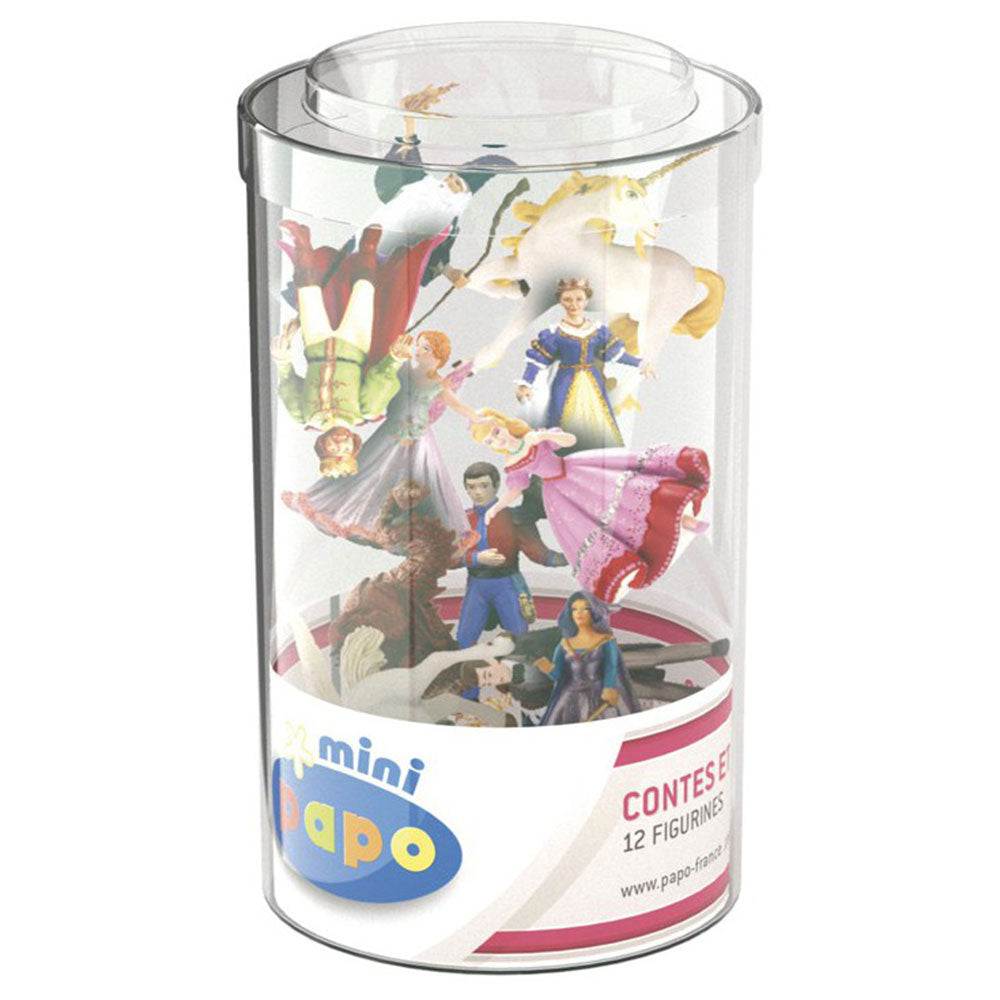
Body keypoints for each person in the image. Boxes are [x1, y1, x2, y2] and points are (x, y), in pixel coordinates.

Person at [471, 410, 710, 603]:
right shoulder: (511, 462)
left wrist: (542, 437)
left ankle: (685, 519)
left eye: (496, 432)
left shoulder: (530, 437)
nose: (497, 439)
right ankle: (628, 563)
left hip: (579, 470)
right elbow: (517, 487)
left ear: (503, 424)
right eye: (490, 440)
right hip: (559, 496)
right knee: (599, 524)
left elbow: (569, 440)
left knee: (630, 493)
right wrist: (496, 507)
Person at [283, 330, 482, 544]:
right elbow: (383, 378)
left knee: (425, 480)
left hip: (420, 438)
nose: (418, 350)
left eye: (426, 348)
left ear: (438, 356)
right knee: (368, 471)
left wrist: (479, 419)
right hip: (392, 430)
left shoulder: (439, 384)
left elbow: (458, 406)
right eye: (418, 345)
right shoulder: (404, 369)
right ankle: (351, 514)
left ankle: (416, 531)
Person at [271, 225, 409, 455]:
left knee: (308, 291)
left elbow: (287, 381)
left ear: (322, 445)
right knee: (363, 292)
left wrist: (282, 360)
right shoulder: (365, 411)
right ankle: (368, 248)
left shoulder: (303, 414)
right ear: (354, 443)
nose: (340, 443)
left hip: (316, 346)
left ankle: (302, 242)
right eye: (345, 448)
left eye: (333, 449)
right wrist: (394, 359)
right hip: (353, 346)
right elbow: (381, 378)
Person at [515, 278, 655, 450]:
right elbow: (538, 361)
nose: (573, 304)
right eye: (568, 299)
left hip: (593, 383)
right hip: (565, 382)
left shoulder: (598, 330)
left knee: (598, 424)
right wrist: (525, 383)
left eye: (579, 299)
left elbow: (615, 355)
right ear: (560, 301)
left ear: (586, 300)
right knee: (562, 420)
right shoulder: (554, 333)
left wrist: (641, 363)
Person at [456, 461, 566, 647]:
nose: (478, 492)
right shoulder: (463, 521)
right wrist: (476, 558)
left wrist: (570, 557)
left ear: (496, 485)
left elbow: (540, 554)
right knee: (464, 640)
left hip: (507, 586)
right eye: (471, 487)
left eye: (484, 486)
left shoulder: (514, 518)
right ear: (466, 489)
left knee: (520, 641)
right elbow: (448, 557)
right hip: (476, 587)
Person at [537, 592, 638, 725]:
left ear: (593, 612)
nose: (579, 613)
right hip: (569, 694)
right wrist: (549, 669)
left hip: (596, 691)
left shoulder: (605, 641)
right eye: (575, 609)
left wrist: (608, 687)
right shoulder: (564, 644)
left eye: (585, 609)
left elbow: (611, 666)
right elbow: (560, 677)